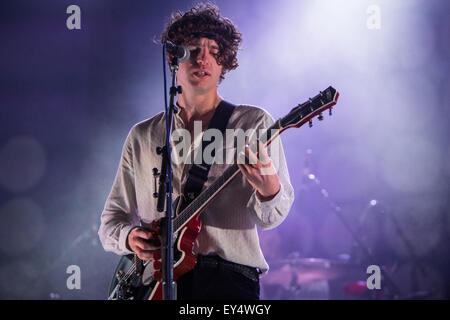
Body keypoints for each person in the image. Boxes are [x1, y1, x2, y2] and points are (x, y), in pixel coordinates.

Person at [98, 3, 294, 300]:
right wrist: (129, 237)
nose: (203, 57)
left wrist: (269, 190)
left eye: (214, 51)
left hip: (227, 280)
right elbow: (111, 221)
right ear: (172, 57)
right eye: (192, 48)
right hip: (153, 283)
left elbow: (270, 218)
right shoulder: (142, 136)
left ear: (223, 63)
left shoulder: (253, 124)